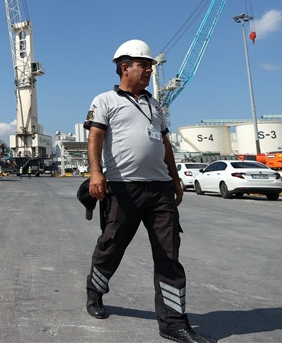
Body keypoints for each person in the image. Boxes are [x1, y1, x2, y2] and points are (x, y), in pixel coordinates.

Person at [82, 39, 212, 343]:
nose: (150, 71)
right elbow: (95, 138)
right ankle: (95, 292)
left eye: (151, 66)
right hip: (123, 189)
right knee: (111, 246)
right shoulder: (105, 101)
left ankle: (174, 323)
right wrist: (96, 173)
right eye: (145, 65)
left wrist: (176, 180)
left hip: (160, 191)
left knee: (169, 255)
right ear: (125, 67)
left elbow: (164, 144)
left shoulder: (155, 105)